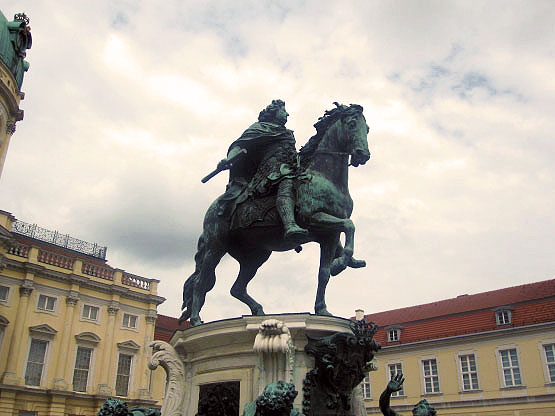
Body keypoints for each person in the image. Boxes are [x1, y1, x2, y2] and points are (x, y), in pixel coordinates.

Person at [217, 99, 309, 241]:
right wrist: (229, 159)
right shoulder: (260, 128)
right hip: (269, 172)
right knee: (287, 182)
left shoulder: (287, 133)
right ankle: (290, 225)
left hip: (289, 168)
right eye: (283, 111)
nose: (287, 114)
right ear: (273, 113)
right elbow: (239, 145)